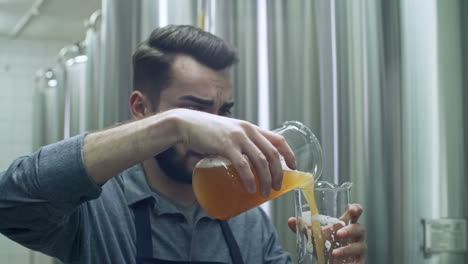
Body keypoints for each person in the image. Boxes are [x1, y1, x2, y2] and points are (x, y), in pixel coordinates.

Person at [0, 25, 366, 263]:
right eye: (196, 111)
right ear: (142, 109)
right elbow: (10, 204)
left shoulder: (247, 221)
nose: (215, 130)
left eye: (222, 113)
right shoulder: (97, 208)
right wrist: (177, 127)